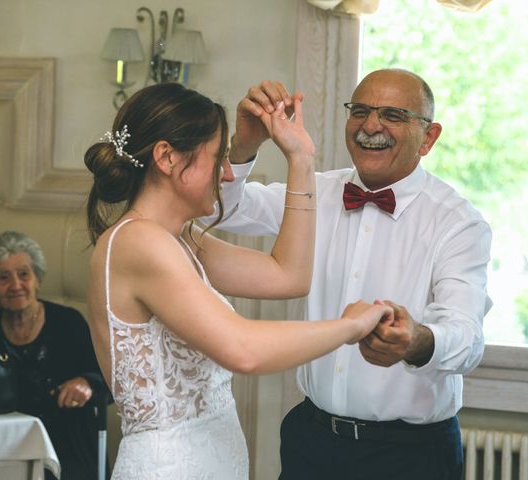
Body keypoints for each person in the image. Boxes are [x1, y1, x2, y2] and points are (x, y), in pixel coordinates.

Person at [83, 81, 392, 479]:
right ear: (166, 157)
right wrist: (350, 326)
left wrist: (299, 157)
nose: (227, 172)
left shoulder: (180, 238)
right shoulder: (139, 241)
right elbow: (243, 350)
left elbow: (290, 276)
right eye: (217, 158)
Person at [204, 69, 493, 480]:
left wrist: (416, 341)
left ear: (428, 137)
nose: (371, 125)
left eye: (393, 114)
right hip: (313, 440)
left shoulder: (458, 223)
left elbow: (468, 339)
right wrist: (245, 144)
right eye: (360, 110)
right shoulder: (315, 192)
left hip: (410, 456)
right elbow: (222, 209)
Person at [0, 230, 110, 480]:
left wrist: (86, 384)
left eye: (24, 274)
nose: (15, 285)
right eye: (3, 277)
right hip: (6, 451)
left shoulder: (68, 323)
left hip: (69, 451)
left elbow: (108, 381)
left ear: (37, 278)